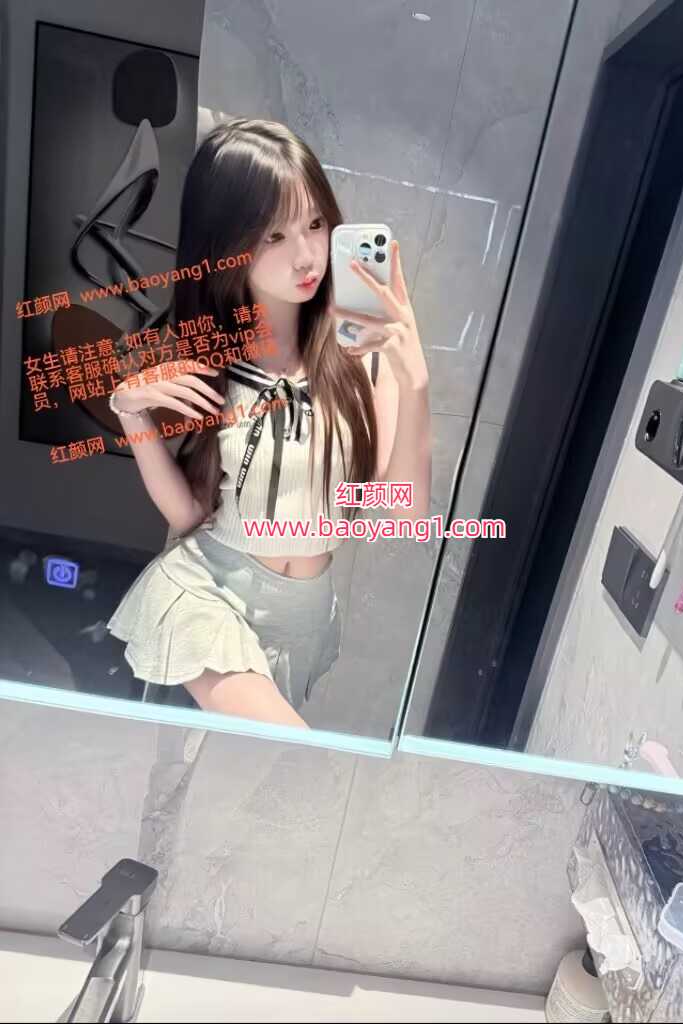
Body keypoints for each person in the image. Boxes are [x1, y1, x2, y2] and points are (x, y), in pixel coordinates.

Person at [105, 118, 432, 729]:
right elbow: (189, 515)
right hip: (207, 592)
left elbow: (403, 513)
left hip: (302, 617)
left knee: (206, 775)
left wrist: (414, 382)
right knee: (297, 755)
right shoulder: (204, 357)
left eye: (315, 224)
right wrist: (131, 411)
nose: (306, 255)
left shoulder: (366, 356)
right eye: (274, 235)